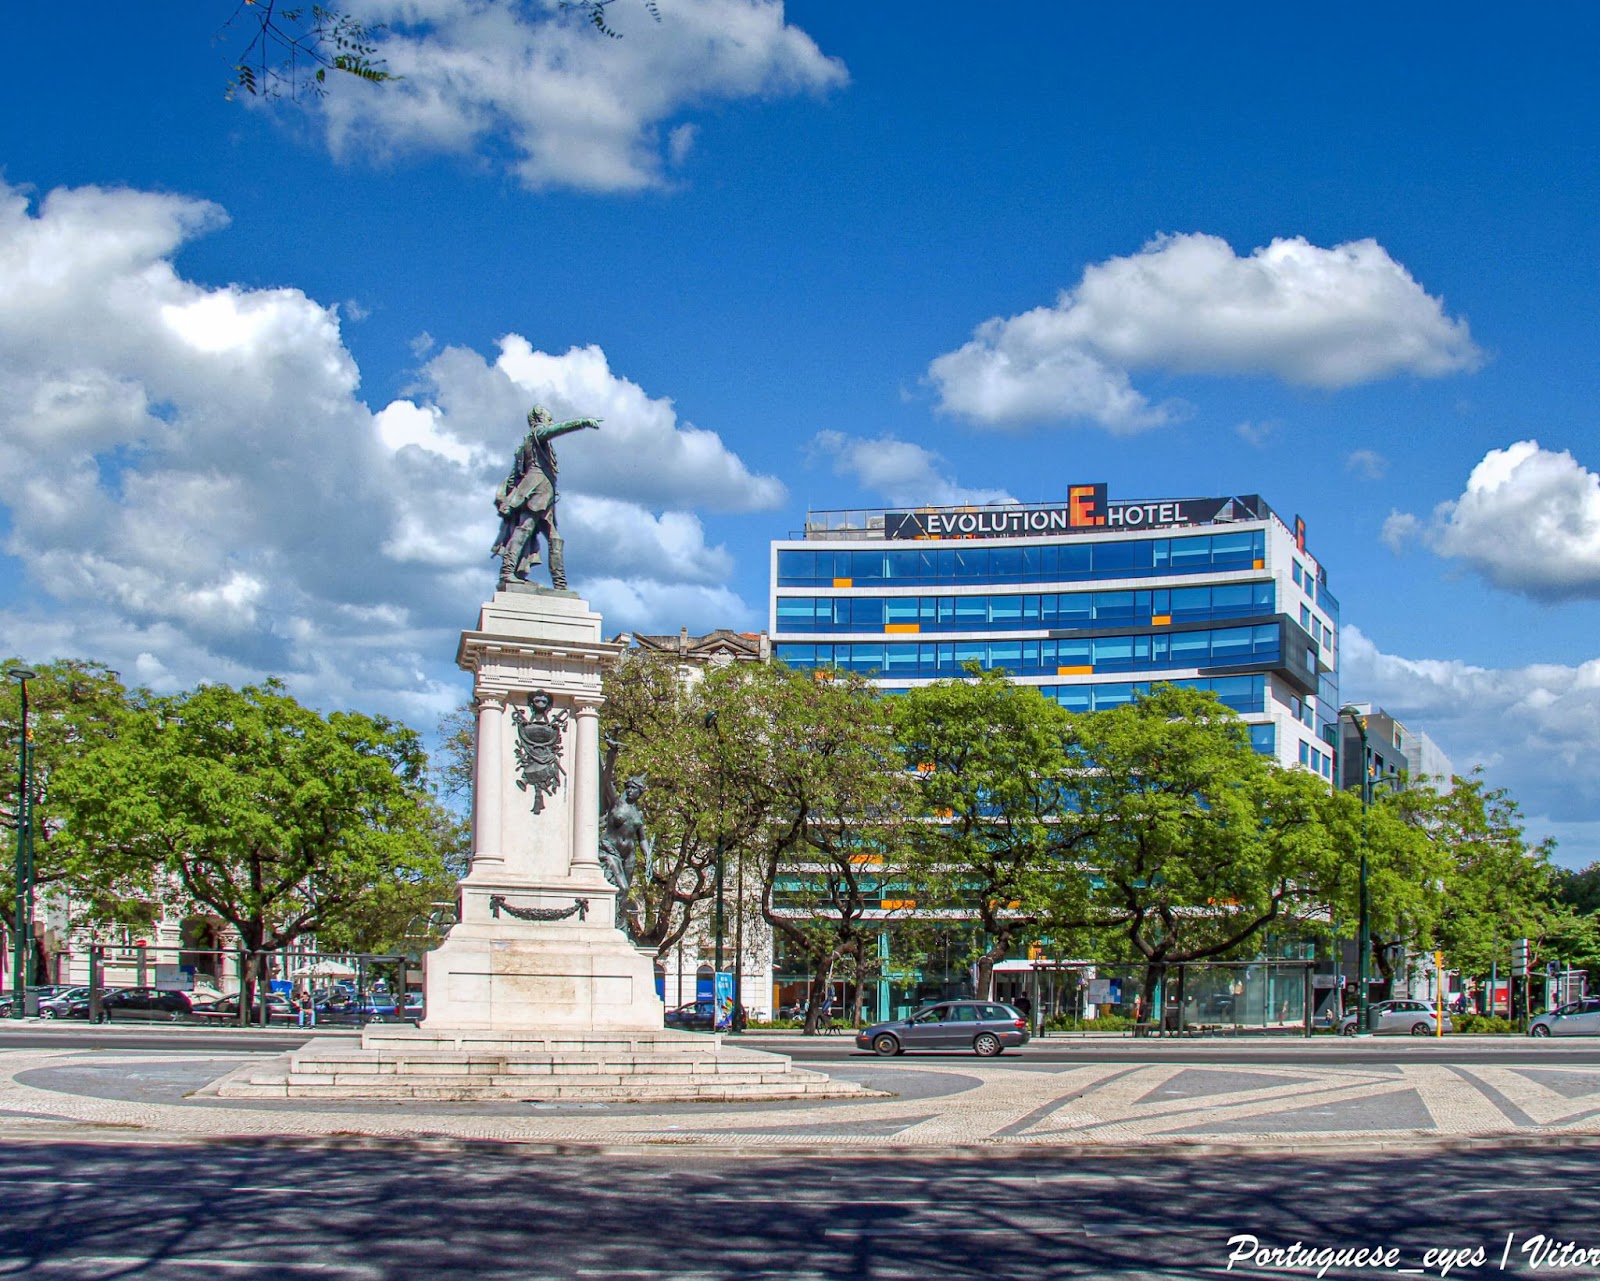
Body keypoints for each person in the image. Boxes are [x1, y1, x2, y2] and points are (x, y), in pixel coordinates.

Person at [492, 405, 601, 591]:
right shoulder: (537, 434)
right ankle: (507, 571)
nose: (551, 420)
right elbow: (553, 430)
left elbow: (513, 476)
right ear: (540, 418)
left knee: (554, 538)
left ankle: (560, 585)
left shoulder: (526, 444)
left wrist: (510, 497)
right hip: (536, 489)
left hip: (543, 491)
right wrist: (581, 423)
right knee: (525, 528)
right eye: (548, 417)